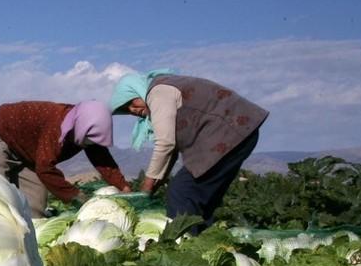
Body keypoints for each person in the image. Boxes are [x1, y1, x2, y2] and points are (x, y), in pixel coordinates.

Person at [109, 70, 268, 228]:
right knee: (200, 199)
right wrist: (156, 184)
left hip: (227, 133)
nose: (132, 110)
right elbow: (172, 151)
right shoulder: (163, 88)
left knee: (181, 192)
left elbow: (165, 144)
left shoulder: (157, 93)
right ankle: (202, 241)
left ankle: (182, 245)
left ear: (138, 91)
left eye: (131, 103)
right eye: (126, 110)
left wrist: (146, 189)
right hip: (239, 133)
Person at [0, 100, 131, 215]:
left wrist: (123, 187)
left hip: (26, 152)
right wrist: (75, 196)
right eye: (88, 140)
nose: (89, 144)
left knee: (35, 204)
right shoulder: (57, 126)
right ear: (81, 129)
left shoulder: (87, 128)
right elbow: (45, 169)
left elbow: (102, 159)